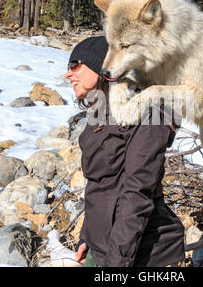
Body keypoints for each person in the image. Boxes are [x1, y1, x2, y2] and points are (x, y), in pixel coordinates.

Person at [65, 36, 185, 267]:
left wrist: (116, 265)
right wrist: (86, 236)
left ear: (100, 64)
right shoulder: (101, 111)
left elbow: (136, 194)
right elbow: (100, 185)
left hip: (140, 255)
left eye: (74, 65)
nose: (68, 74)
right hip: (101, 247)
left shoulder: (149, 113)